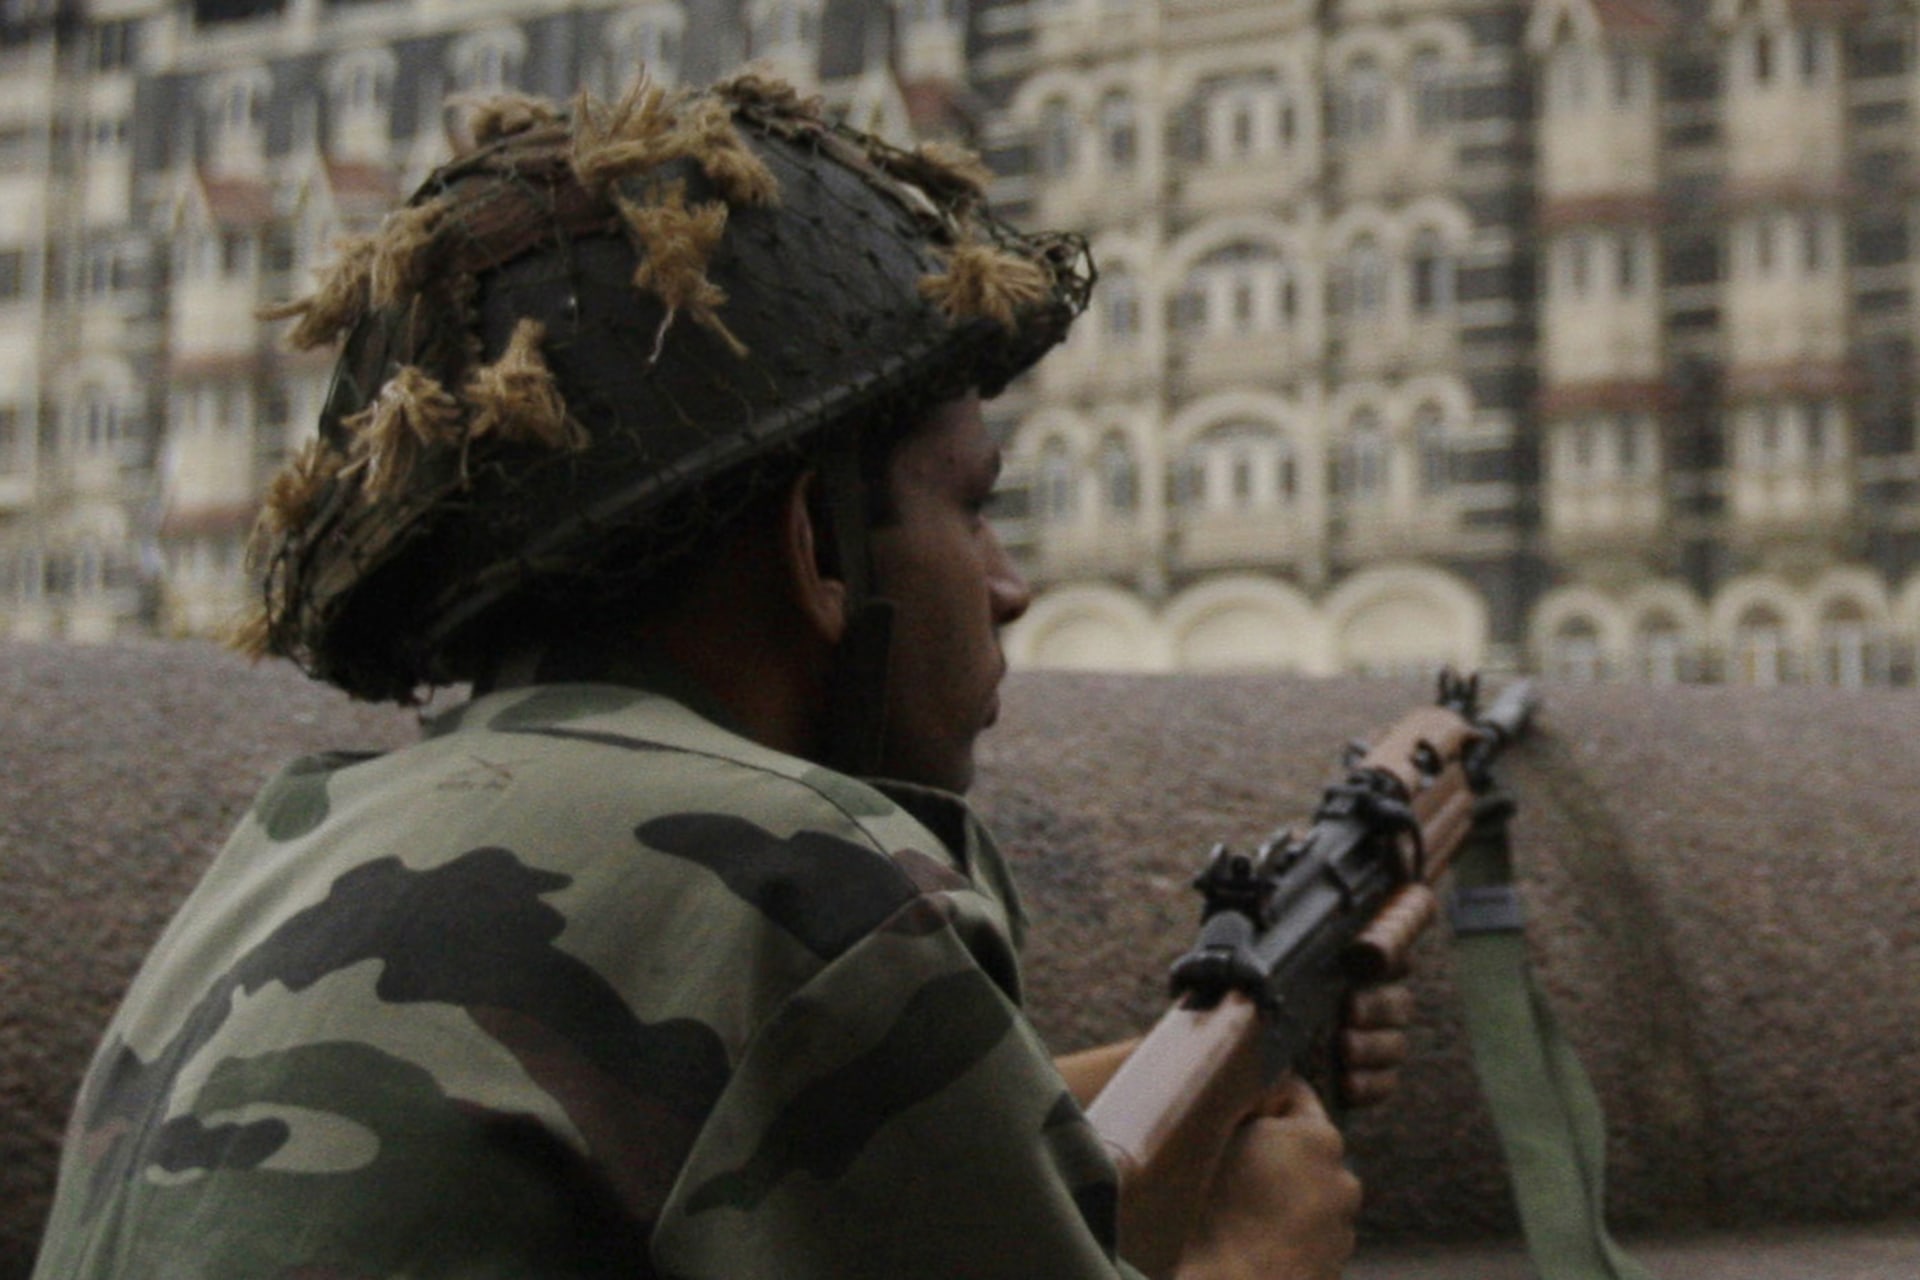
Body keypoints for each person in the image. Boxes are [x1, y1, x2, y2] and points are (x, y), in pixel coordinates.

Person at [32, 75, 1411, 1280]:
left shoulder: (297, 838)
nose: (1009, 582)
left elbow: (718, 1129)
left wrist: (1212, 1059)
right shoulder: (802, 874)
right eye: (974, 508)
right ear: (819, 546)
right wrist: (1256, 1257)